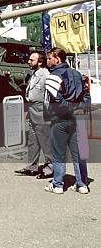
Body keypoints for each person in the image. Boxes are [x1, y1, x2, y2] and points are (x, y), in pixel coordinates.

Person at [44, 47, 90, 194]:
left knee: (59, 154)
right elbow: (87, 98)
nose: (48, 61)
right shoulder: (78, 75)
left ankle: (58, 184)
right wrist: (78, 108)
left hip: (59, 120)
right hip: (78, 119)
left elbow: (58, 102)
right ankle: (82, 184)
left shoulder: (52, 77)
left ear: (57, 59)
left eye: (49, 58)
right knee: (80, 154)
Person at [15, 51, 53, 178]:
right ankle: (32, 166)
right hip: (33, 110)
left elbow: (49, 96)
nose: (29, 62)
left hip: (41, 110)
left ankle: (50, 168)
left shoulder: (45, 75)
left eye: (32, 60)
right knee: (33, 140)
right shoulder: (35, 74)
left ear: (40, 62)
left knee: (45, 141)